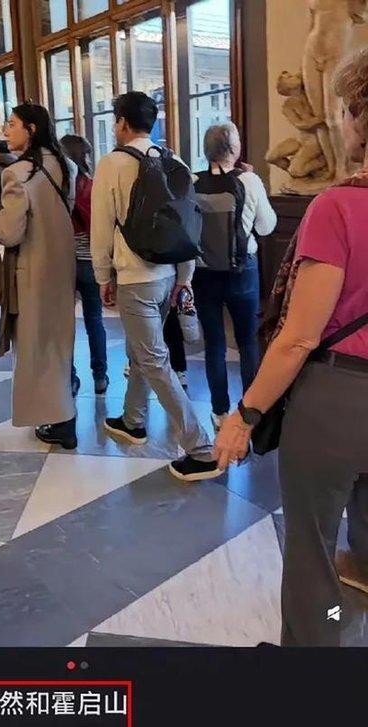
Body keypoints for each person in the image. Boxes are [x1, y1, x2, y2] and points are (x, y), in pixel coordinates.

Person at [214, 49, 368, 646]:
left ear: (359, 117)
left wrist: (245, 415)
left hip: (338, 400)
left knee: (313, 553)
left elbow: (300, 335)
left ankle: (317, 650)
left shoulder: (339, 207)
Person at [91, 91, 221, 482]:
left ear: (122, 122)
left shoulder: (112, 164)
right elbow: (187, 224)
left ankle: (201, 449)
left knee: (154, 361)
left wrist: (102, 277)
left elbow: (102, 228)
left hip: (135, 278)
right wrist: (185, 278)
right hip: (168, 276)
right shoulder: (174, 161)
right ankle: (133, 420)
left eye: (116, 120)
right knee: (142, 349)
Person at [0, 103, 78, 449]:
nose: (5, 130)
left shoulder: (17, 174)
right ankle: (64, 414)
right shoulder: (67, 166)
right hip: (63, 265)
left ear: (30, 129)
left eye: (12, 124)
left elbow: (10, 233)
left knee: (36, 346)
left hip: (32, 269)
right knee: (59, 341)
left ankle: (61, 421)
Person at [193, 123, 277, 430]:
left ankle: (219, 413)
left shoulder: (192, 182)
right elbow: (267, 226)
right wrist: (252, 183)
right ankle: (250, 413)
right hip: (242, 271)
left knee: (214, 342)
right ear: (233, 148)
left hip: (203, 273)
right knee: (247, 342)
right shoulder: (249, 180)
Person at [60, 134, 109, 397]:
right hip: (91, 263)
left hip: (64, 264)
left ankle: (70, 378)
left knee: (65, 325)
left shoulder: (57, 189)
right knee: (95, 321)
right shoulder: (93, 187)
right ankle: (100, 376)